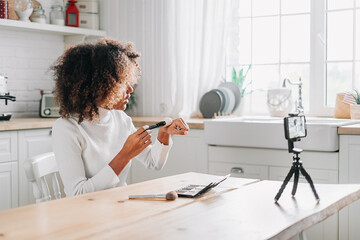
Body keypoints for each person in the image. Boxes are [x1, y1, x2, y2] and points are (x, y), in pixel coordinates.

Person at [51, 38, 189, 197]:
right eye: (122, 83)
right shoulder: (66, 128)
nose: (130, 89)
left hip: (120, 205)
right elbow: (77, 194)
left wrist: (164, 135)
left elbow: (154, 163)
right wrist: (125, 155)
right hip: (88, 214)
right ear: (96, 86)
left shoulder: (121, 119)